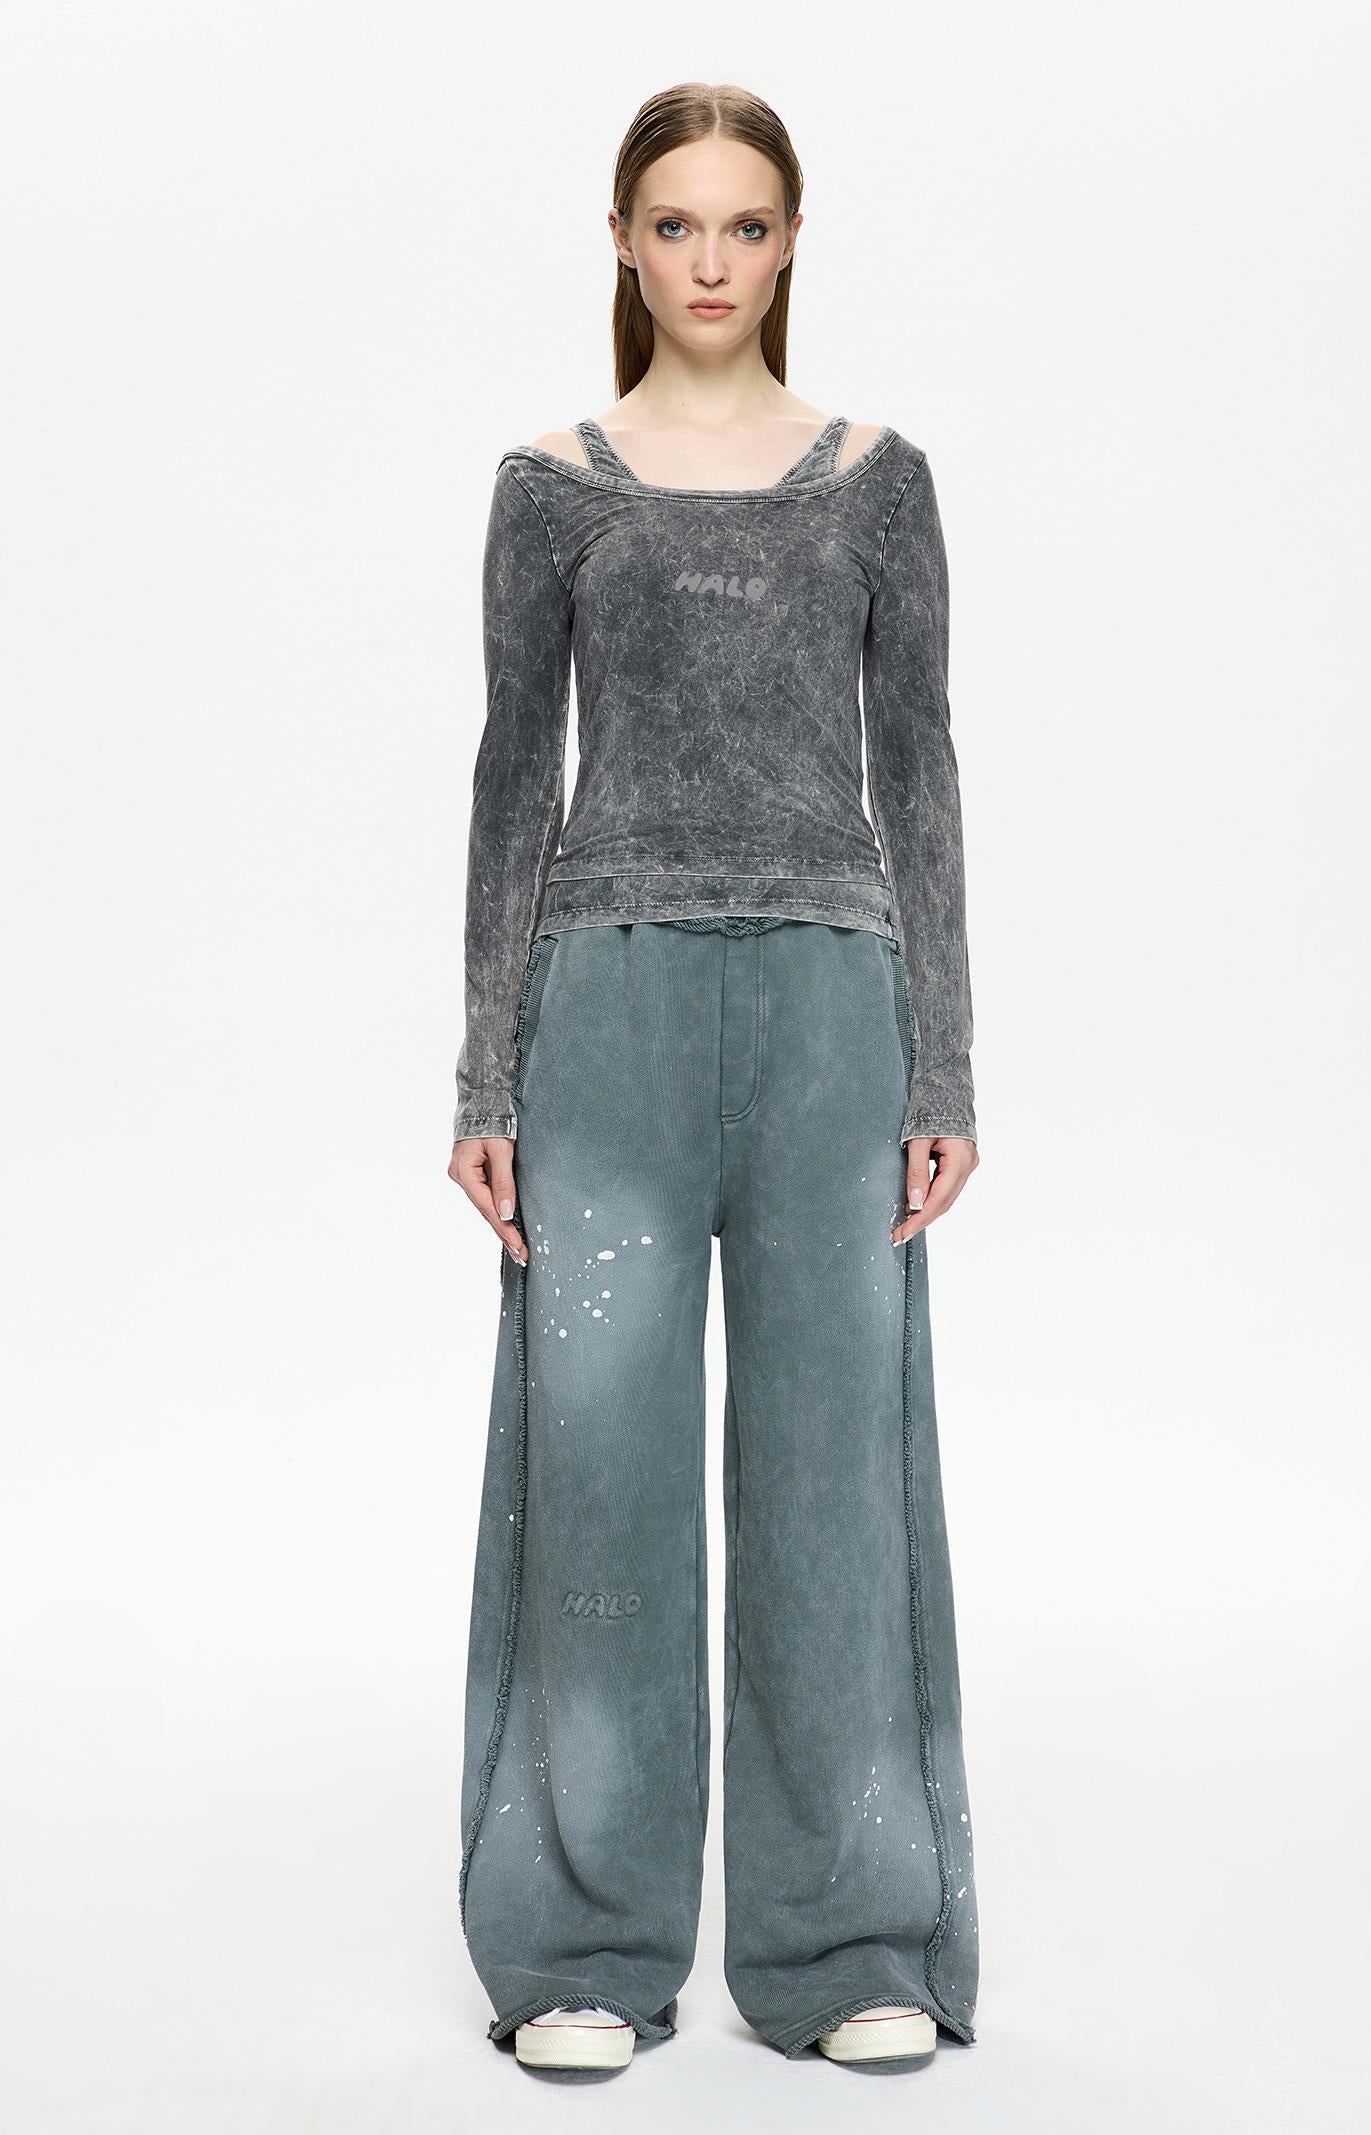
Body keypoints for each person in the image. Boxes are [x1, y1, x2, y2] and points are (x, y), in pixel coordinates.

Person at [448, 80, 981, 2075]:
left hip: (839, 1011)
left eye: (743, 225)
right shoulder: (550, 486)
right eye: (673, 224)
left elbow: (919, 767)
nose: (707, 262)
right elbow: (512, 779)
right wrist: (481, 1080)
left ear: (790, 241)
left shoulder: (876, 483)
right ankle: (584, 1948)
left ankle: (847, 1942)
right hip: (606, 1013)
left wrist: (947, 1064)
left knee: (831, 1480)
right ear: (621, 239)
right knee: (599, 1483)